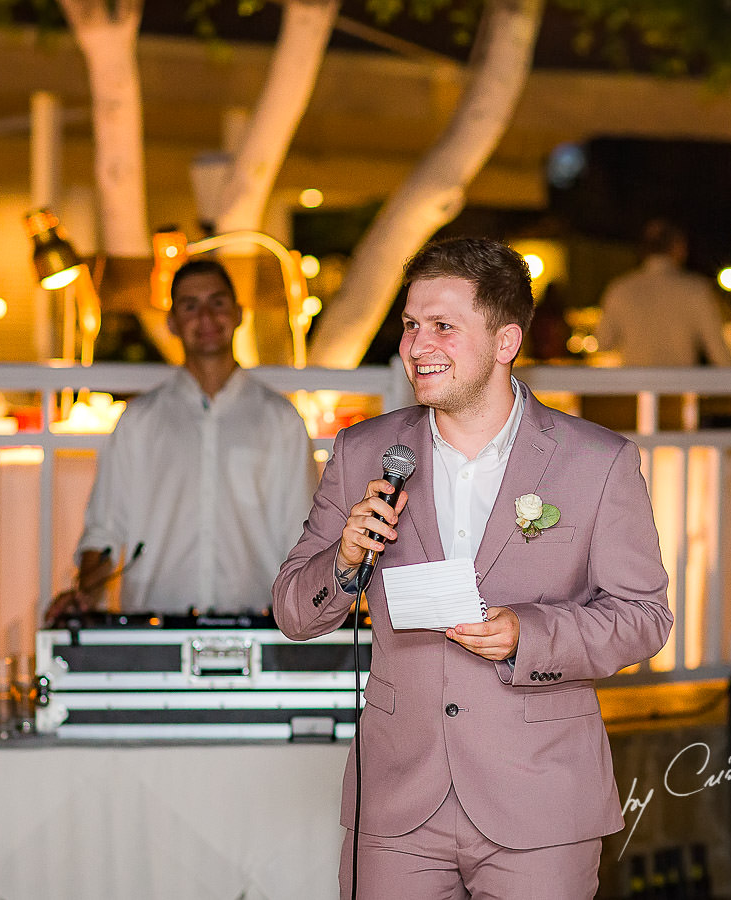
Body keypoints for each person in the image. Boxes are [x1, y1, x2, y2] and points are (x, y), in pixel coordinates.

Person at [273, 237, 672, 899]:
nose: (416, 345)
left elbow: (643, 620)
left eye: (443, 327)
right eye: (409, 326)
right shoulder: (363, 452)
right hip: (397, 805)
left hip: (540, 801)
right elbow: (292, 609)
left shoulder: (595, 462)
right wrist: (343, 559)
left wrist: (530, 634)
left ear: (506, 341)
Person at [48, 258, 318, 619]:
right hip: (155, 621)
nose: (205, 316)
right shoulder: (139, 421)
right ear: (172, 323)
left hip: (259, 621)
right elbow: (105, 530)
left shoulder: (281, 420)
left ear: (238, 314)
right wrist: (84, 593)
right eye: (190, 306)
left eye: (217, 302)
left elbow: (303, 533)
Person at [596, 219, 731, 366]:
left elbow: (603, 342)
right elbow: (718, 352)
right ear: (678, 247)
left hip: (636, 385)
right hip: (679, 385)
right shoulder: (696, 289)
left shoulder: (620, 289)